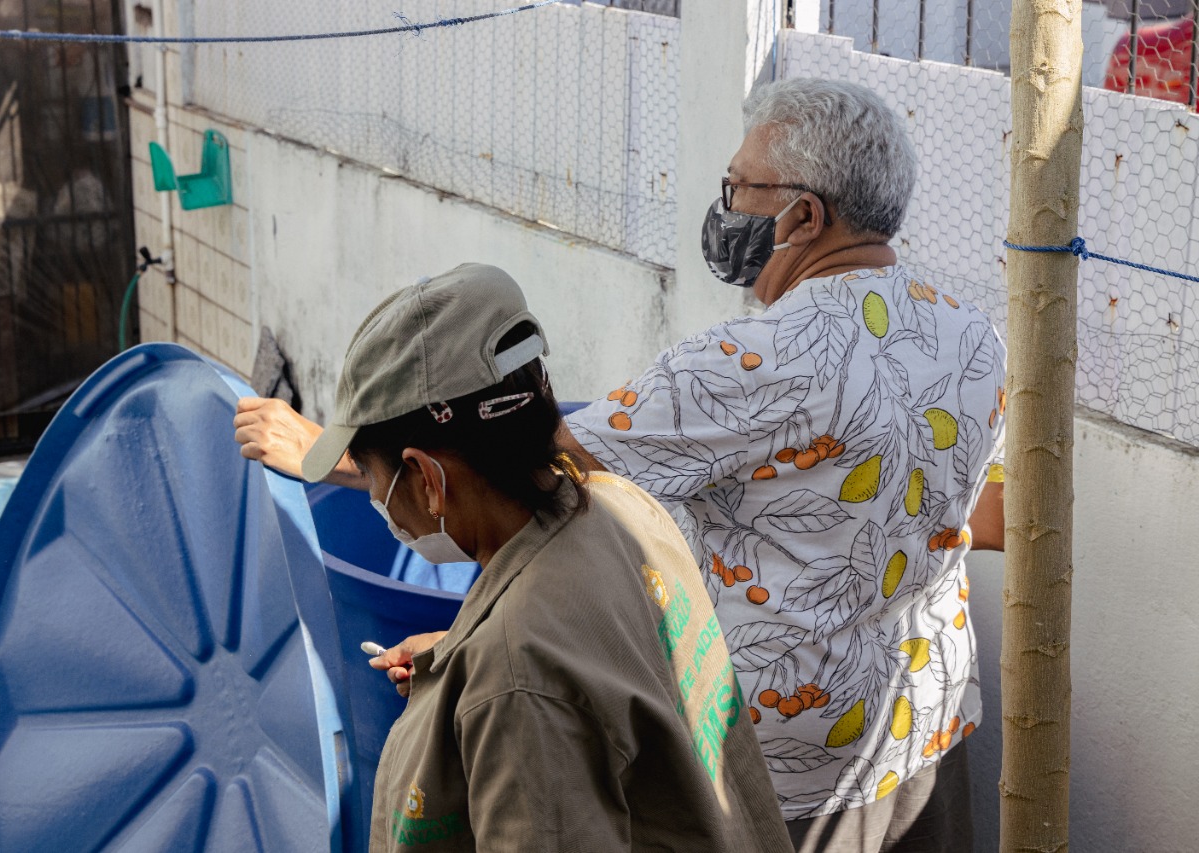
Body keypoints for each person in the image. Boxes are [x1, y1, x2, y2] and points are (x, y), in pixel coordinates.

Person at [234, 79, 1006, 853]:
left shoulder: (755, 362)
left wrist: (325, 452)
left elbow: (523, 465)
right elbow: (987, 517)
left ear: (805, 216)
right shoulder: (972, 338)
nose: (726, 204)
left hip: (797, 772)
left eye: (740, 188)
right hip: (926, 724)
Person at [282, 263, 794, 852]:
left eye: (373, 475)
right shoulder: (620, 508)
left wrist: (494, 674)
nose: (376, 498)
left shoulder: (517, 674)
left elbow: (538, 687)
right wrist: (461, 659)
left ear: (426, 477)